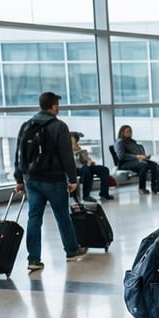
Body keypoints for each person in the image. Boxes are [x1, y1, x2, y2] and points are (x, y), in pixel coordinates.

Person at [13, 91, 87, 272]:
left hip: (31, 179)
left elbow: (19, 154)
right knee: (62, 216)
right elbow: (66, 156)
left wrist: (19, 178)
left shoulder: (26, 125)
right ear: (53, 106)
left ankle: (33, 259)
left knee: (34, 218)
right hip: (53, 180)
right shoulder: (58, 126)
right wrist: (72, 179)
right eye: (57, 105)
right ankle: (71, 250)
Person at [115, 125, 158, 194]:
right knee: (143, 165)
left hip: (137, 160)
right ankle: (142, 188)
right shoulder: (120, 142)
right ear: (122, 132)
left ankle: (155, 186)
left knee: (154, 165)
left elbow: (137, 152)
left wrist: (144, 157)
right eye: (127, 132)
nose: (129, 133)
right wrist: (137, 157)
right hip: (125, 163)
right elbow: (121, 156)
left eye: (130, 132)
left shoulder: (132, 141)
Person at [71, 132, 113, 202]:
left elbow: (87, 159)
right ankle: (86, 195)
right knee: (86, 170)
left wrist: (90, 161)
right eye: (74, 142)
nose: (76, 143)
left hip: (85, 167)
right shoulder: (65, 151)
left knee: (104, 169)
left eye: (76, 141)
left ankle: (104, 193)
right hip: (74, 169)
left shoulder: (81, 151)